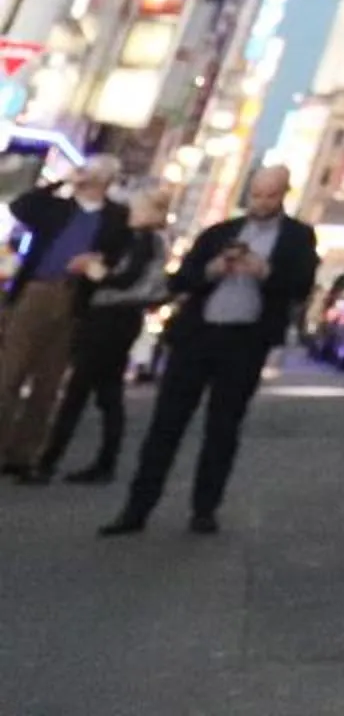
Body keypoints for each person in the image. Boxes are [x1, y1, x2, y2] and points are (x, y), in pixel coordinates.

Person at [102, 164, 317, 537]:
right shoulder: (220, 233)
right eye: (258, 194)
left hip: (246, 342)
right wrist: (214, 268)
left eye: (271, 195)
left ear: (283, 196)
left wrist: (264, 271)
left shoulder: (297, 237)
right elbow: (182, 278)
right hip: (197, 337)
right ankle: (137, 507)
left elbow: (300, 286)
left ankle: (204, 508)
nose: (262, 202)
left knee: (223, 427)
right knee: (165, 424)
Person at [1, 155, 131, 480]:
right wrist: (59, 182)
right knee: (9, 373)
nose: (83, 176)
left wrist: (97, 263)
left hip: (76, 298)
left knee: (49, 381)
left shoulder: (116, 217)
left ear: (105, 179)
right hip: (37, 290)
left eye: (89, 171)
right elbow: (20, 206)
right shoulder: (57, 207)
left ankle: (24, 454)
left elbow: (120, 254)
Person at [35, 185, 172, 485]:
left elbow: (125, 278)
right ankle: (104, 461)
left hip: (111, 318)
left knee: (79, 391)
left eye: (134, 207)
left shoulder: (145, 240)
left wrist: (95, 270)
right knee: (107, 393)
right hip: (121, 319)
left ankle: (48, 461)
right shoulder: (151, 240)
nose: (128, 213)